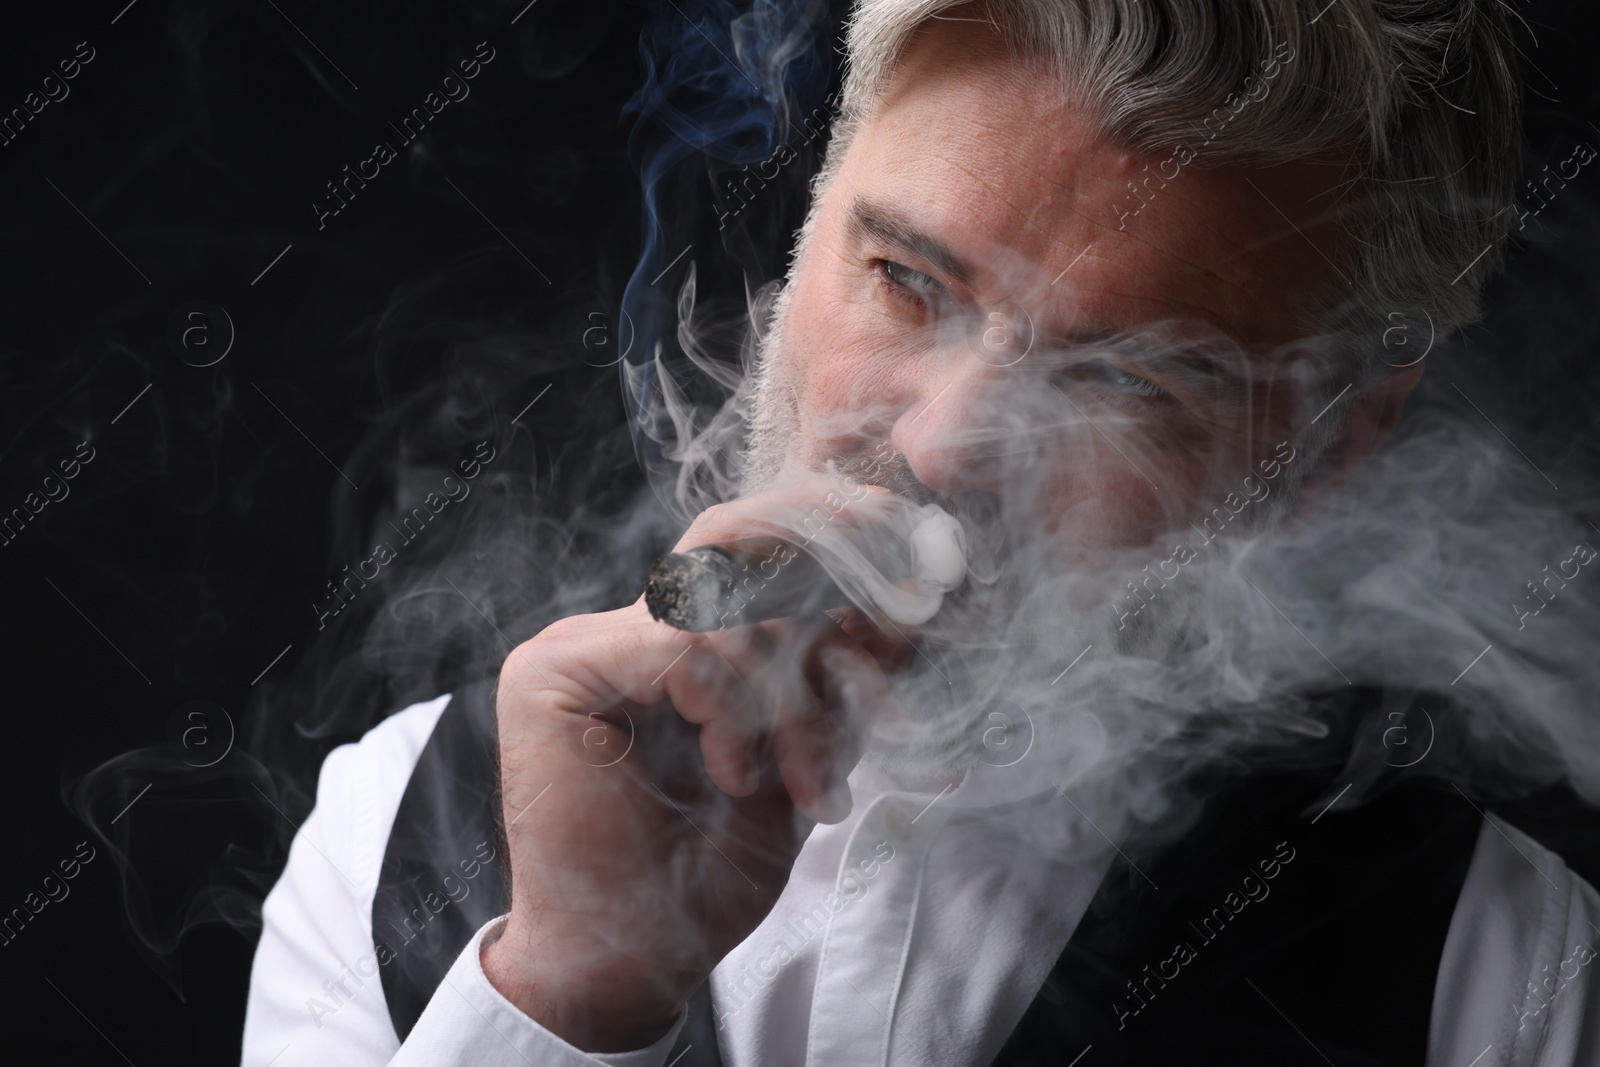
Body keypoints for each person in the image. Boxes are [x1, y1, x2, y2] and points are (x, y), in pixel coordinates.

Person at [241, 2, 1600, 1065]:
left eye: (1127, 378)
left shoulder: (1494, 971)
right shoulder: (399, 837)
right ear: (806, 241)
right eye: (906, 281)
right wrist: (563, 1005)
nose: (946, 447)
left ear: (1334, 440)